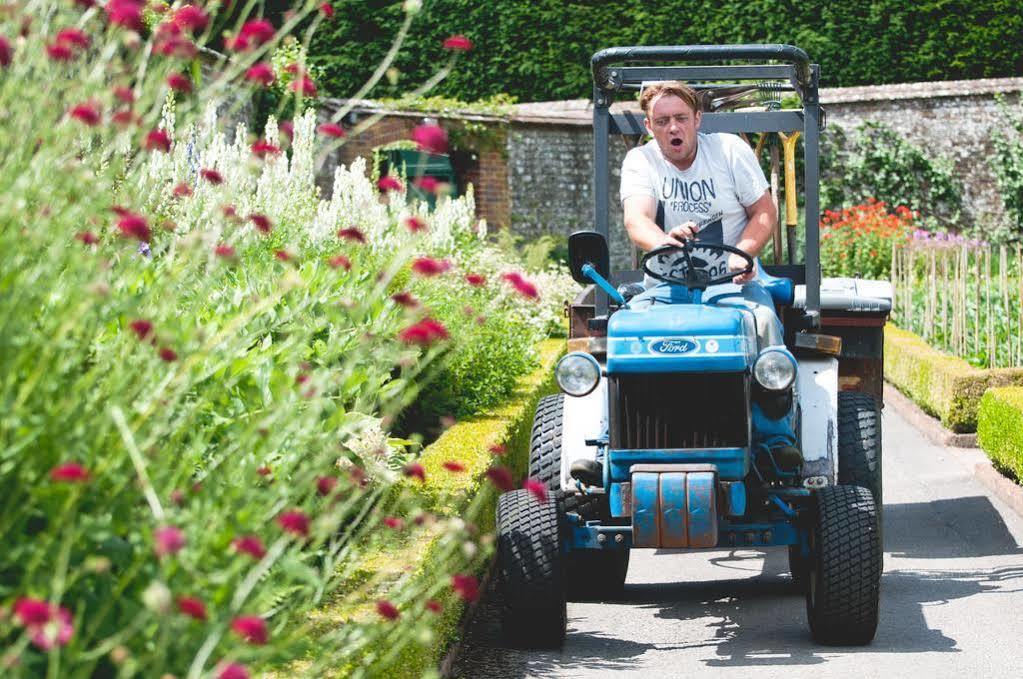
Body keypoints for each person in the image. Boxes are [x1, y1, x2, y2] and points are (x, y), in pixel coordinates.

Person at [619, 80, 801, 470]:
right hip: (667, 282)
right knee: (626, 330)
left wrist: (745, 255)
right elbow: (637, 220)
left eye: (681, 118)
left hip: (731, 280)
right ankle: (618, 441)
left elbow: (764, 213)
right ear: (649, 127)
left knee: (764, 321)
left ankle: (775, 437)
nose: (673, 128)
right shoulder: (641, 161)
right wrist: (666, 243)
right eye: (662, 120)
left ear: (698, 119)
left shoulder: (729, 151)